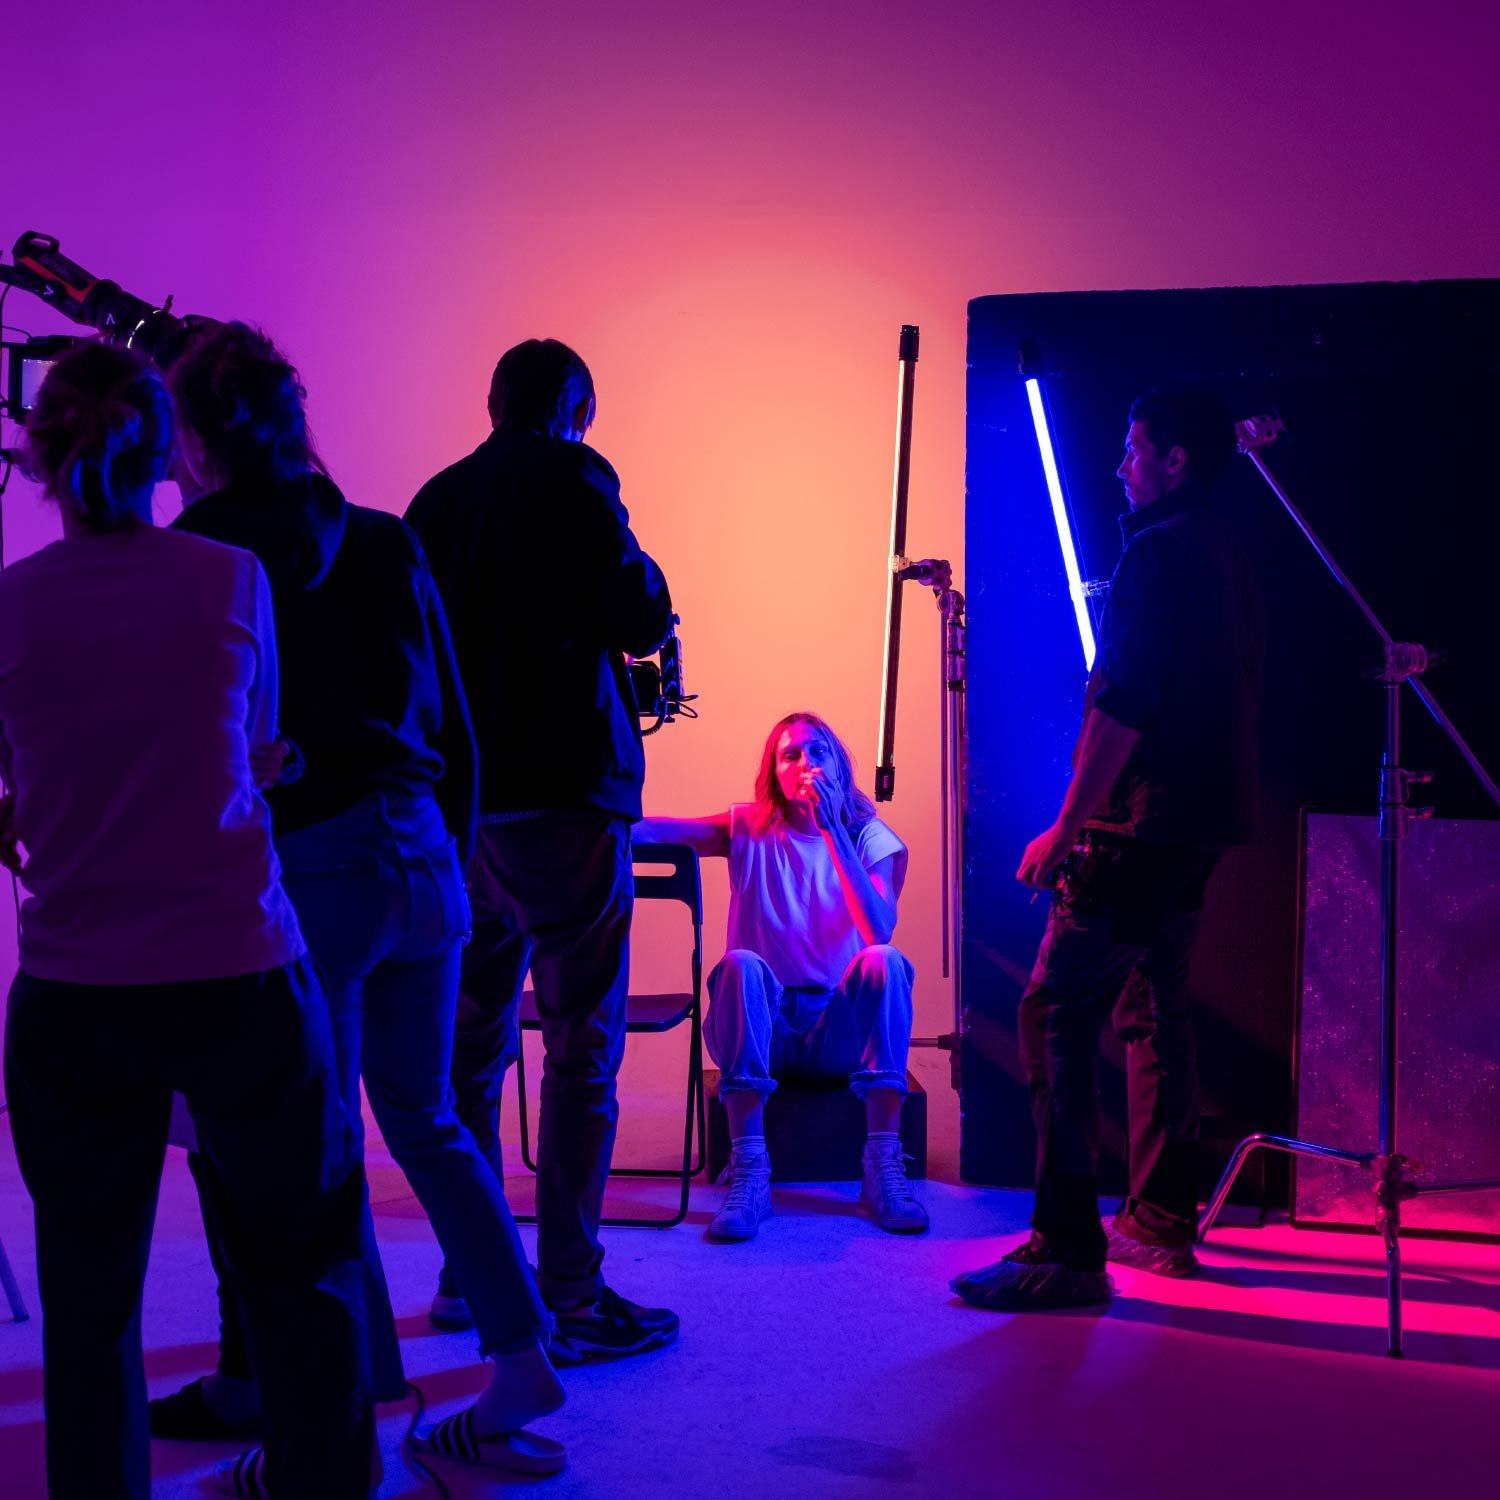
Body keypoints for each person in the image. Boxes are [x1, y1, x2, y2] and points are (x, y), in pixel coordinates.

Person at [151, 322, 564, 1478]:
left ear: (198, 435)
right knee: (430, 1122)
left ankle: (349, 1416)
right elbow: (456, 719)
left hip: (311, 871)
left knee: (319, 1152)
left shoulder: (200, 551)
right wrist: (457, 863)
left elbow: (202, 735)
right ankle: (521, 1357)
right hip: (422, 853)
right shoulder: (386, 536)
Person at [0, 342, 372, 1498]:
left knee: (88, 1300)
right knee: (302, 1273)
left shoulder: (10, 603)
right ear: (172, 454)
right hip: (239, 970)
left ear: (41, 460)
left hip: (76, 988)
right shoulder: (231, 580)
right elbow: (250, 752)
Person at [953, 388, 1265, 1312]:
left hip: (1140, 825)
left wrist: (1069, 825)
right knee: (1154, 1007)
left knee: (1055, 1010)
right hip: (1202, 823)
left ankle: (1065, 1250)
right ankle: (1159, 1220)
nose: (1120, 465)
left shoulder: (1157, 552)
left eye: (1134, 449)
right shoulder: (1226, 548)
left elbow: (1122, 704)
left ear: (1174, 459)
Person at [405, 338, 678, 1361]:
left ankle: (471, 1277)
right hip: (568, 800)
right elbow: (640, 614)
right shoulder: (576, 477)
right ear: (572, 409)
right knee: (580, 1047)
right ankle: (572, 1291)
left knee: (470, 1051)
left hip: (466, 810)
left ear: (493, 403)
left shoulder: (436, 500)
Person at [636, 711, 927, 1239]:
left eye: (817, 751)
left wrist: (832, 831)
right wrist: (589, 821)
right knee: (740, 965)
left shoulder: (871, 837)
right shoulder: (748, 827)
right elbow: (659, 831)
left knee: (885, 960)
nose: (805, 763)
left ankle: (882, 1164)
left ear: (838, 765)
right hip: (763, 1030)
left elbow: (878, 928)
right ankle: (750, 1168)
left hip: (837, 1037)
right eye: (790, 754)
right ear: (774, 772)